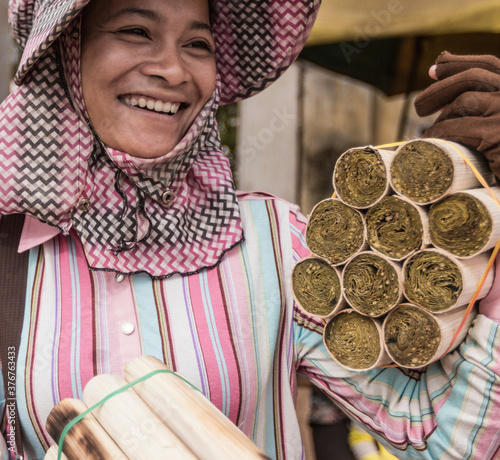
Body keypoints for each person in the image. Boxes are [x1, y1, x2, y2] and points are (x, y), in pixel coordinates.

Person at [0, 0, 499, 459]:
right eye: (135, 30)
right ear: (69, 48)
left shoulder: (276, 243)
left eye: (198, 43)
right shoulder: (8, 254)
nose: (174, 70)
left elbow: (437, 439)